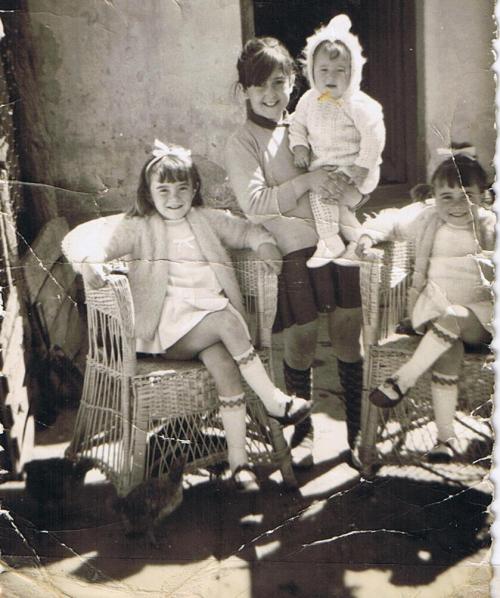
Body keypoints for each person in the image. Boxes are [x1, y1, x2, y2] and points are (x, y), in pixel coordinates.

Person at [62, 140, 312, 491]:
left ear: (195, 189)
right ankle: (272, 400)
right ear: (148, 193)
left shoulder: (206, 220)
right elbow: (98, 244)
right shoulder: (140, 226)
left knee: (226, 368)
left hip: (206, 327)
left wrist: (264, 245)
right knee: (226, 320)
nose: (174, 198)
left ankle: (239, 464)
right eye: (163, 190)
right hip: (168, 331)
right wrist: (90, 262)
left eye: (182, 188)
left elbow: (245, 230)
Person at [225, 37, 365, 469]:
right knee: (302, 338)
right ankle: (303, 431)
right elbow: (254, 203)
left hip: (335, 239)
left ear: (293, 82)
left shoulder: (312, 122)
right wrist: (306, 182)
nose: (271, 94)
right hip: (294, 250)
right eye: (260, 85)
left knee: (347, 332)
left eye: (279, 83)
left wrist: (349, 186)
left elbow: (345, 171)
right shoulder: (242, 142)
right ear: (244, 90)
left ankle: (357, 431)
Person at [357, 151, 494, 461]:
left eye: (467, 195)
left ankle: (402, 379)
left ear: (482, 196)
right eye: (447, 197)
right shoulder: (427, 219)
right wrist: (367, 236)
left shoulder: (491, 225)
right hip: (436, 311)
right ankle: (445, 439)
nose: (458, 205)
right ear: (434, 197)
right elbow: (390, 220)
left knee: (453, 318)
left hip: (481, 318)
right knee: (447, 351)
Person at [289, 14, 385, 268]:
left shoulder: (357, 104)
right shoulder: (309, 100)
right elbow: (297, 126)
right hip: (326, 167)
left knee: (324, 195)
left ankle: (330, 240)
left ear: (352, 72)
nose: (330, 77)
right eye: (323, 70)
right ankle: (358, 244)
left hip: (353, 169)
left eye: (339, 70)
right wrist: (299, 146)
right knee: (333, 202)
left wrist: (362, 166)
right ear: (312, 71)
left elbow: (373, 135)